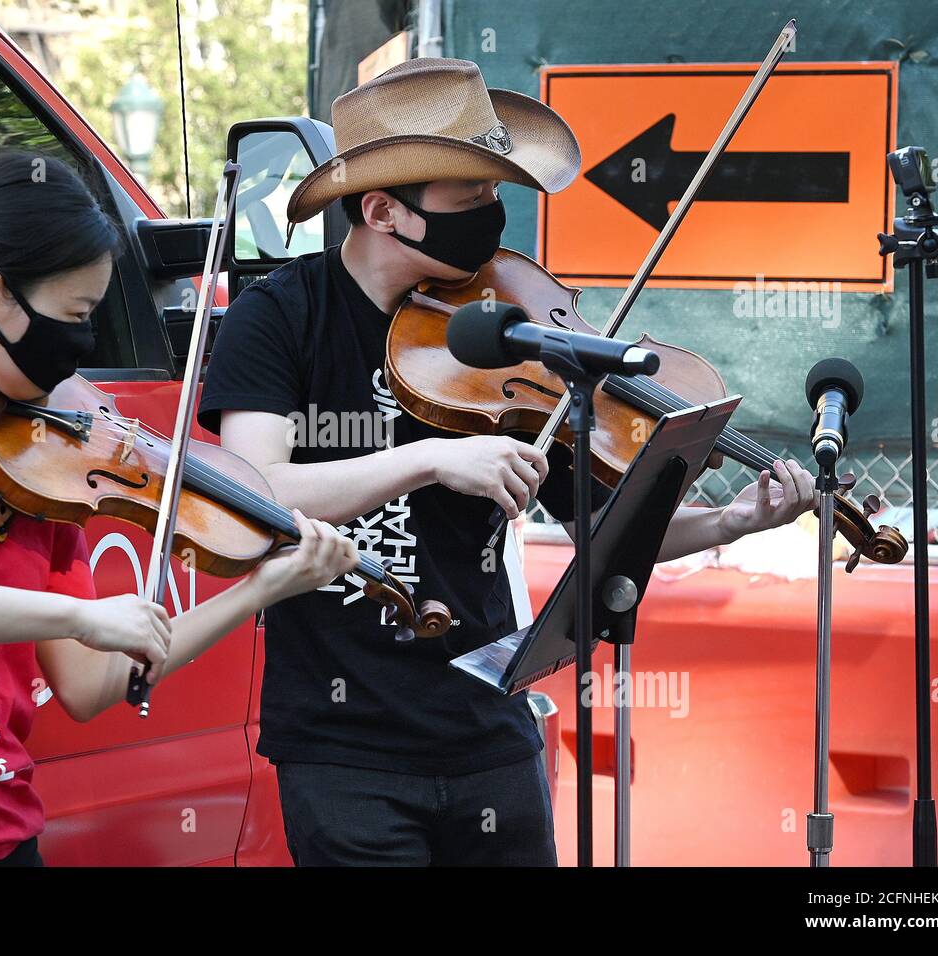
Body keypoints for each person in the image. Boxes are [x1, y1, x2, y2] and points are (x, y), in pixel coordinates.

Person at [197, 58, 816, 866]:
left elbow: (601, 529)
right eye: (472, 198)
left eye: (496, 193)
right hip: (345, 747)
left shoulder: (509, 329)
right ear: (384, 210)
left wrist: (727, 521)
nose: (494, 217)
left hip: (489, 728)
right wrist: (426, 462)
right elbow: (256, 495)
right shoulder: (277, 318)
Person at [0, 151, 358, 866]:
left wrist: (259, 589)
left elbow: (88, 684)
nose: (79, 351)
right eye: (74, 317)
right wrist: (83, 615)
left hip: (6, 834)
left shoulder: (36, 461)